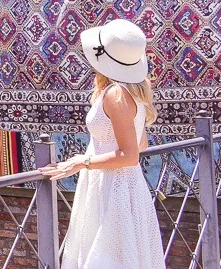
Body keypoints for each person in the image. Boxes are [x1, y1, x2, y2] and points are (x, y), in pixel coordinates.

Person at [41, 19, 165, 269]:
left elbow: (130, 155)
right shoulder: (134, 91)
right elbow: (140, 143)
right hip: (124, 184)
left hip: (112, 185)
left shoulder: (115, 94)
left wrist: (82, 162)